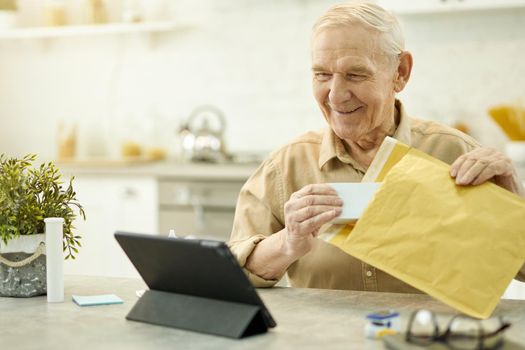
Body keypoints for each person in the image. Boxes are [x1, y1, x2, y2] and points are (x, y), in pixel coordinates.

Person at [228, 2, 525, 292]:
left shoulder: (456, 153)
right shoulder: (285, 166)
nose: (336, 94)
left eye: (355, 74)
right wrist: (287, 242)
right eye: (322, 74)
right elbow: (230, 276)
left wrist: (515, 203)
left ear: (401, 73)